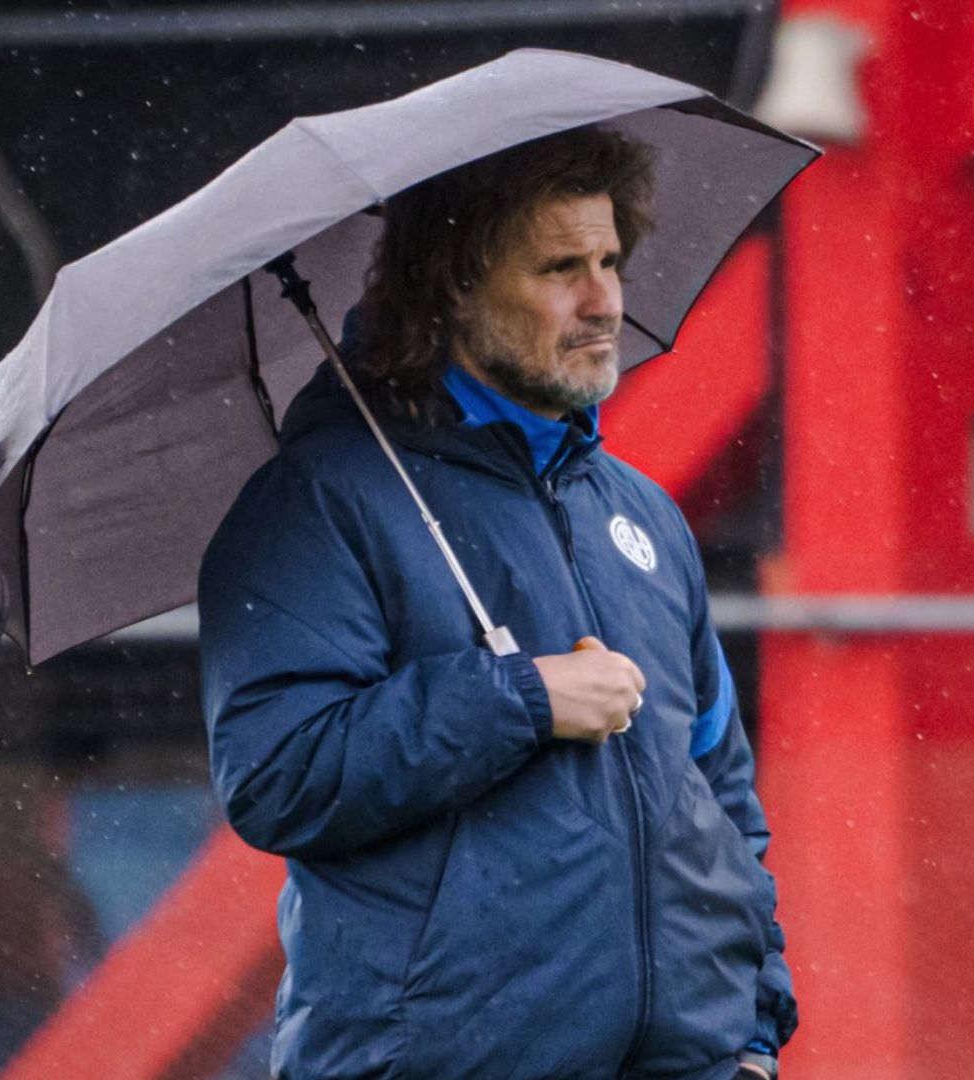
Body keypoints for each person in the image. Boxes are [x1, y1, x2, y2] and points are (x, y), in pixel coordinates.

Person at [198, 125, 797, 1080]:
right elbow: (279, 774)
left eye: (609, 261)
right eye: (561, 267)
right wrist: (518, 700)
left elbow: (718, 787)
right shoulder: (318, 502)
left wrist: (756, 1029)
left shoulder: (640, 513)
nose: (603, 300)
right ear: (452, 289)